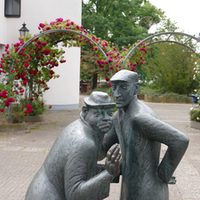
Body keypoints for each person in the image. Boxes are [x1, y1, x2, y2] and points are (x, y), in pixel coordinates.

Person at [103, 69, 189, 200]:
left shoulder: (140, 118)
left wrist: (163, 175)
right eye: (114, 88)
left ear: (136, 88)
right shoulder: (118, 116)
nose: (117, 94)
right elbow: (102, 149)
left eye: (123, 87)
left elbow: (180, 141)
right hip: (129, 188)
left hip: (148, 192)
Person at [25, 91, 121, 200]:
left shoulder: (81, 126)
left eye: (109, 113)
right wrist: (109, 173)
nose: (106, 119)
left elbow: (94, 158)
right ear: (85, 111)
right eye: (98, 114)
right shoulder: (84, 142)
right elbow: (75, 195)